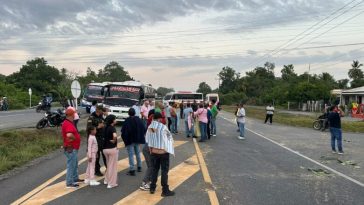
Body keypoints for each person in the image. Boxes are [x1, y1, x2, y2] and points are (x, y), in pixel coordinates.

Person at [146, 112, 175, 197]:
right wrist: (170, 148)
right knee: (164, 171)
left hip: (154, 152)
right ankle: (165, 190)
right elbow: (170, 138)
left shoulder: (150, 127)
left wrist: (151, 149)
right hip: (163, 152)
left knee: (155, 170)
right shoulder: (163, 127)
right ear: (159, 118)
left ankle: (152, 187)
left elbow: (147, 140)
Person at [121, 108, 146, 176]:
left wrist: (125, 140)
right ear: (135, 113)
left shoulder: (127, 121)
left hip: (130, 140)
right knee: (138, 153)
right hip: (137, 139)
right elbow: (143, 129)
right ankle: (139, 166)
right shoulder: (138, 120)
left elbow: (123, 132)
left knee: (131, 155)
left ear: (129, 113)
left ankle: (132, 169)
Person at [62, 107, 82, 188]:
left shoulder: (68, 123)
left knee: (74, 164)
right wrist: (75, 138)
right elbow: (69, 135)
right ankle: (69, 182)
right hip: (71, 148)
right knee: (71, 165)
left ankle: (75, 178)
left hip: (72, 147)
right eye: (74, 114)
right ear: (71, 115)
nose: (75, 115)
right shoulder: (68, 123)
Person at [87, 105, 106, 176]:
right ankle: (97, 170)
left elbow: (105, 123)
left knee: (105, 154)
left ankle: (108, 168)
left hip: (102, 138)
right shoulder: (91, 118)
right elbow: (89, 128)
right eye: (101, 110)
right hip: (95, 139)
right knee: (96, 156)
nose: (102, 111)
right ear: (98, 109)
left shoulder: (101, 116)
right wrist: (98, 127)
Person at [103, 114, 119, 189]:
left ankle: (106, 179)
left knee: (108, 165)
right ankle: (111, 183)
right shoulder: (112, 128)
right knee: (113, 167)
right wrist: (114, 141)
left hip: (105, 149)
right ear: (112, 121)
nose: (116, 120)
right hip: (112, 149)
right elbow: (115, 136)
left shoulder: (105, 128)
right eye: (115, 119)